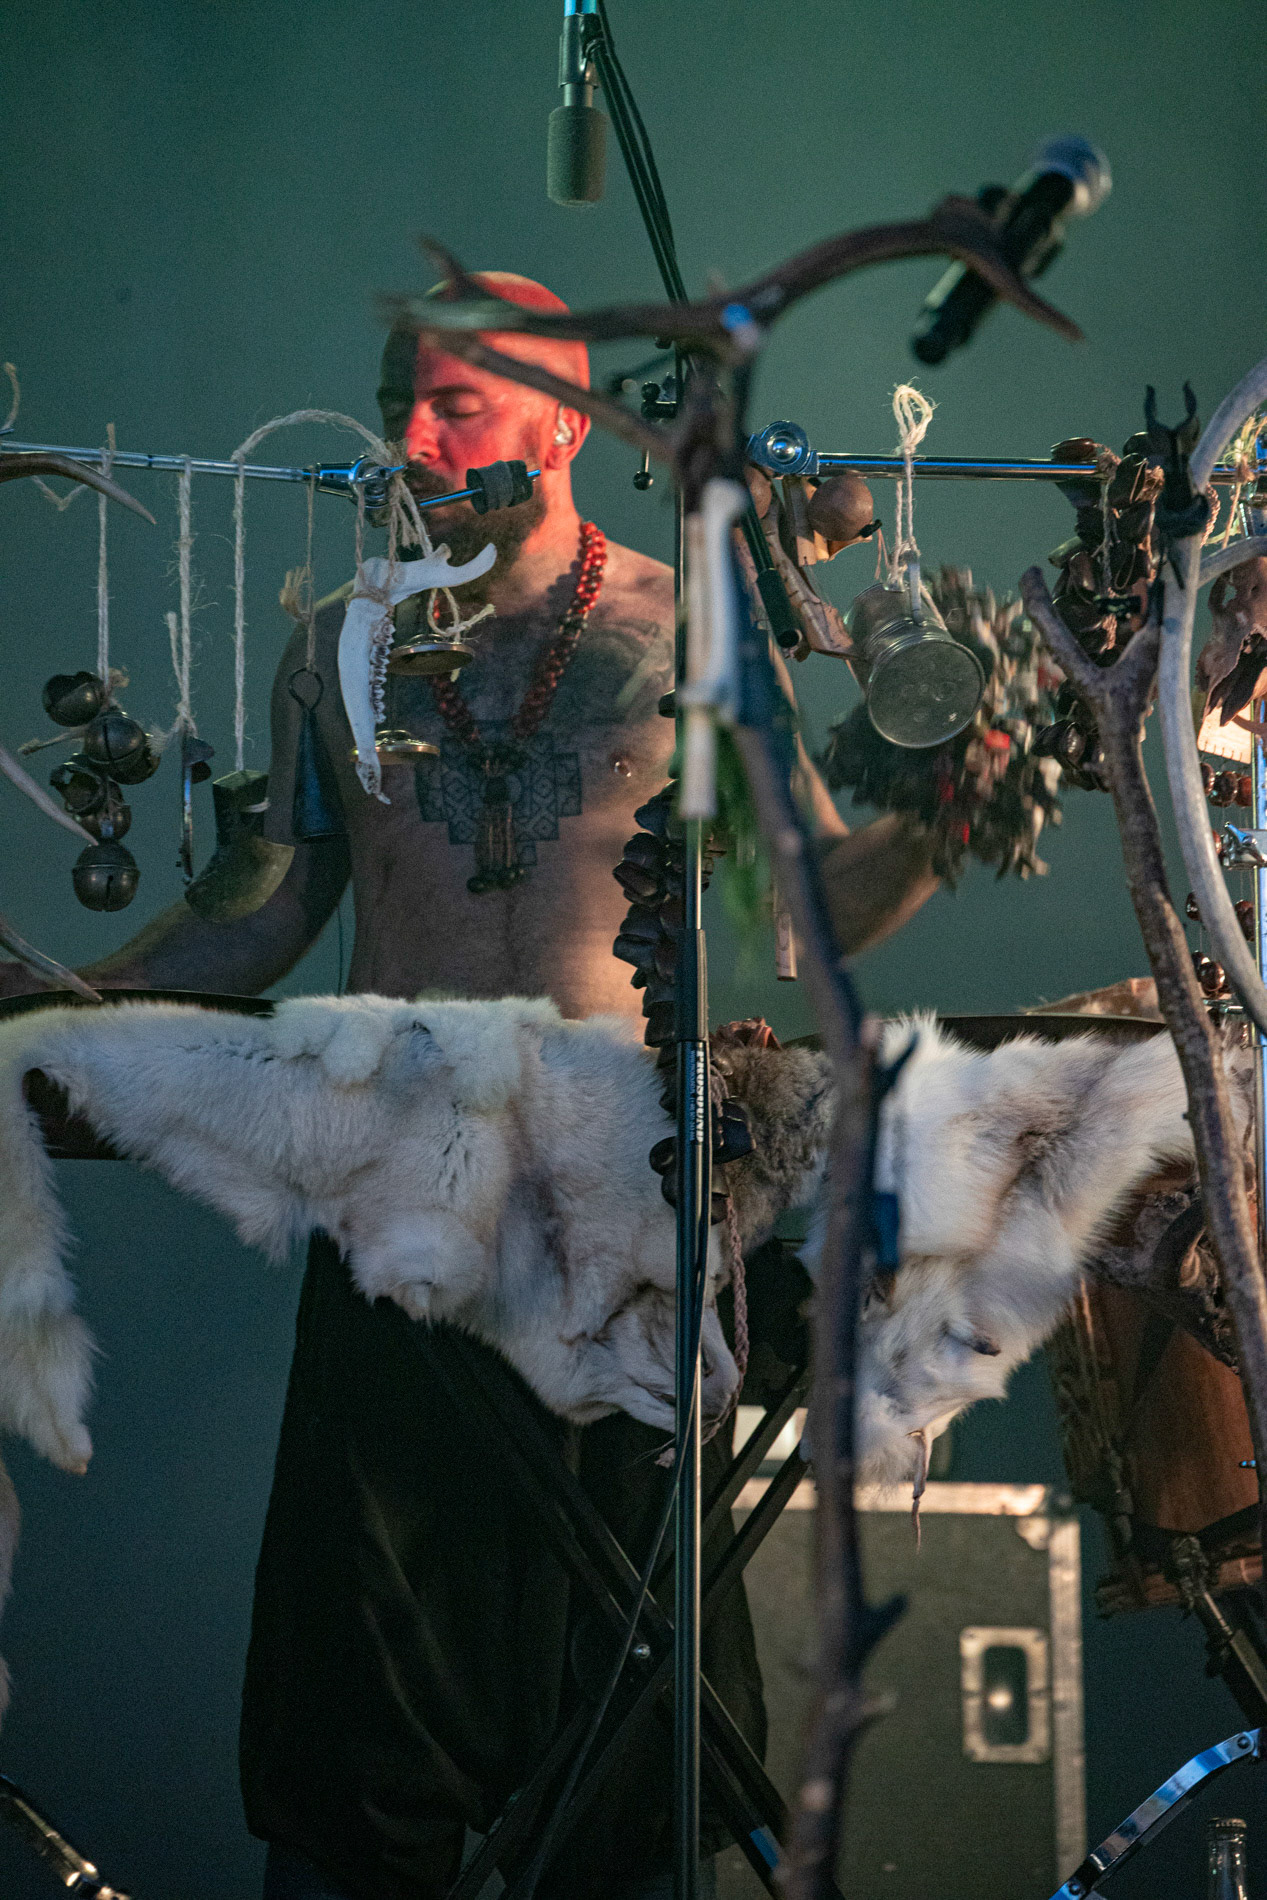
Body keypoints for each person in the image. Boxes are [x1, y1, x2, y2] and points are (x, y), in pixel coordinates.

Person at [0, 274, 940, 1899]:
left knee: (634, 1734)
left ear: (565, 418)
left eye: (456, 401)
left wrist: (954, 800)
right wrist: (59, 995)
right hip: (397, 1213)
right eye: (396, 402)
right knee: (360, 1739)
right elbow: (264, 920)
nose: (412, 436)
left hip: (627, 1214)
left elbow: (803, 912)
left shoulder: (690, 644)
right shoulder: (336, 653)